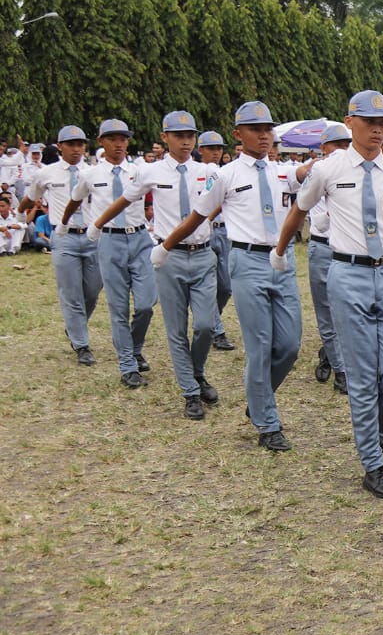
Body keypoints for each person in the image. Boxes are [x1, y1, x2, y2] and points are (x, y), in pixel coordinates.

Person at [276, 91, 383, 500]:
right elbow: (300, 208)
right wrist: (280, 250)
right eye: (370, 122)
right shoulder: (328, 168)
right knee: (363, 376)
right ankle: (372, 462)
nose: (377, 129)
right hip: (348, 274)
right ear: (350, 122)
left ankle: (376, 434)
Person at [155, 101, 311, 452]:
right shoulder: (224, 176)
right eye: (256, 129)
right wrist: (166, 246)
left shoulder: (283, 171)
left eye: (268, 129)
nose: (264, 135)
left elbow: (305, 173)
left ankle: (258, 398)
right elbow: (198, 217)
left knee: (289, 345)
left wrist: (328, 159)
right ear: (238, 134)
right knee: (260, 346)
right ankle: (267, 423)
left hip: (281, 261)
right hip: (247, 261)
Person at [98, 111, 220, 419]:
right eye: (179, 136)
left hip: (203, 254)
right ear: (165, 137)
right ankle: (190, 391)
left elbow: (222, 201)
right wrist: (98, 224)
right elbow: (125, 199)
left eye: (190, 136)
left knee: (205, 325)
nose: (185, 142)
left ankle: (197, 372)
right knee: (176, 330)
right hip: (170, 255)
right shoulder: (149, 171)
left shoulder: (207, 171)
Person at [64, 120, 156, 388]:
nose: (118, 144)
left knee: (146, 304)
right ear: (101, 142)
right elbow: (75, 199)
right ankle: (128, 365)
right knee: (118, 306)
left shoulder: (140, 171)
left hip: (140, 238)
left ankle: (134, 347)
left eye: (123, 139)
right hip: (109, 240)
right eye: (112, 139)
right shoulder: (89, 174)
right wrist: (64, 224)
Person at [307, 123, 352, 395]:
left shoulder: (356, 171)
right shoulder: (318, 172)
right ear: (324, 148)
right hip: (323, 246)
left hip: (347, 251)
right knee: (326, 312)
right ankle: (341, 370)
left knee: (346, 313)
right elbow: (313, 216)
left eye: (346, 145)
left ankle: (330, 353)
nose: (342, 150)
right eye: (337, 145)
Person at [197, 131, 236, 351]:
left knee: (226, 286)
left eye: (219, 148)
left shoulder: (225, 173)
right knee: (208, 284)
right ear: (201, 150)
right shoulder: (195, 173)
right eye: (211, 148)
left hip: (224, 231)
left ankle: (211, 319)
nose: (216, 152)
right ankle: (218, 332)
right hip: (203, 233)